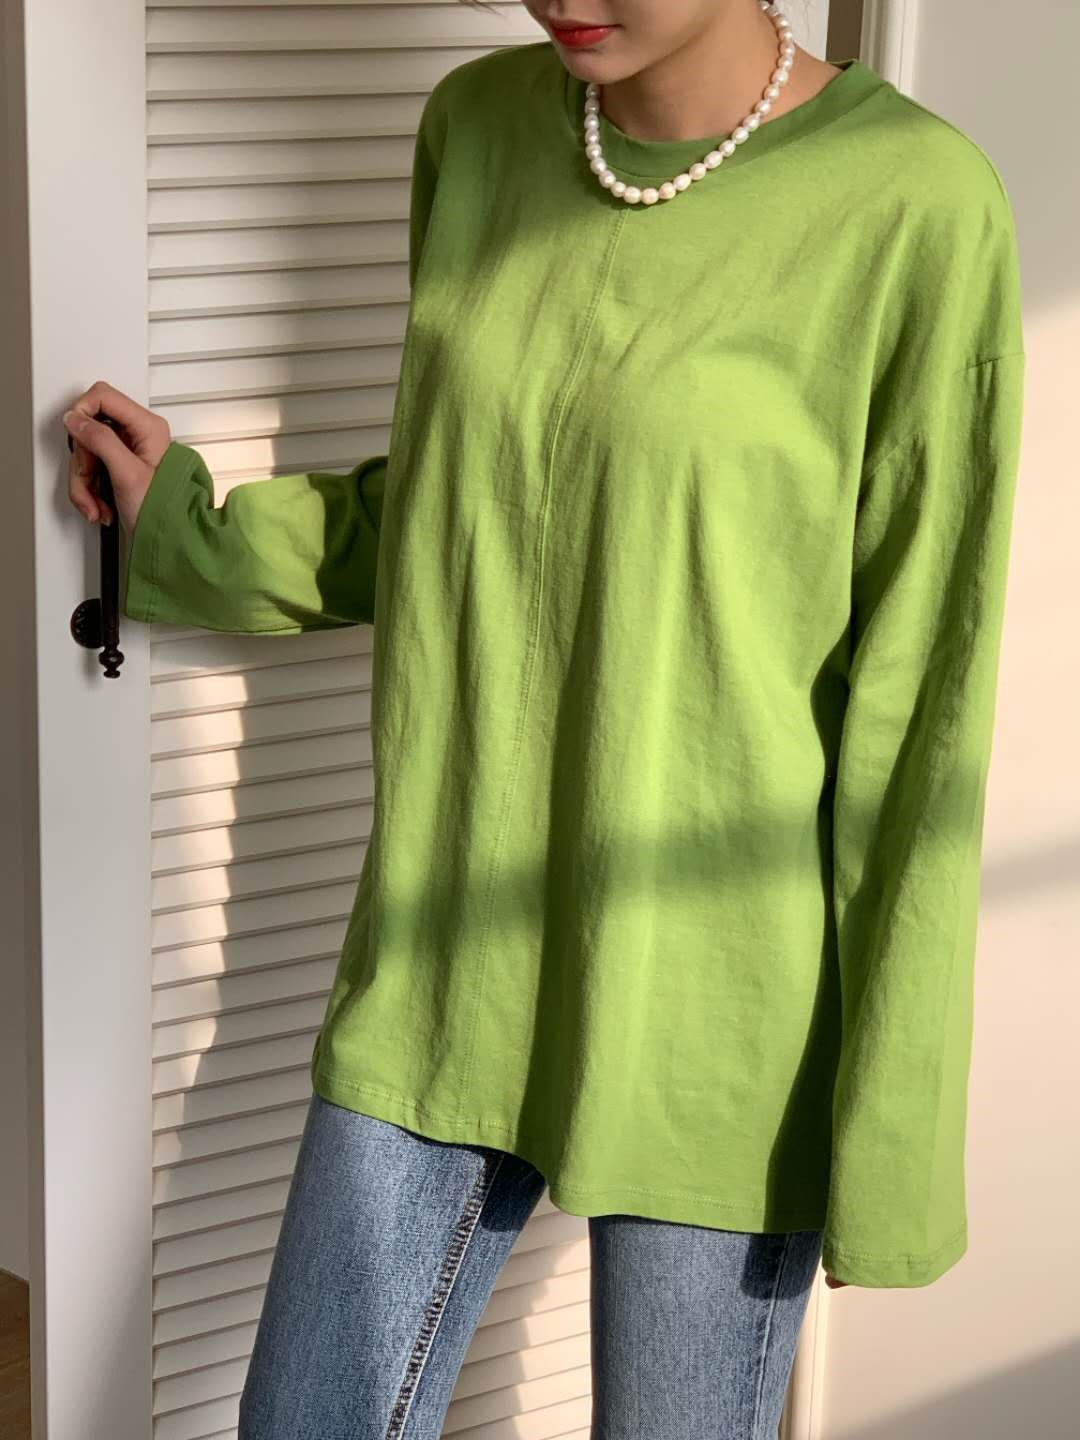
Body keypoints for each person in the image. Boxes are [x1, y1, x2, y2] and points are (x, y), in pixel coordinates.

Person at [65, 1, 1026, 1435]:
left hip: (723, 1015)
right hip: (448, 950)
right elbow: (461, 499)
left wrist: (887, 1143)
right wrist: (193, 536)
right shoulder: (478, 130)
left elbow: (923, 702)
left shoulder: (913, 204)